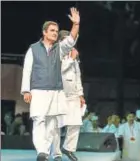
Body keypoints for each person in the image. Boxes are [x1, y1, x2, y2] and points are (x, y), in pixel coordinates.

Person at [20, 7, 80, 161]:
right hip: (38, 91)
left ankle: (45, 153)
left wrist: (76, 24)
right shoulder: (33, 49)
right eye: (52, 30)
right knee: (39, 120)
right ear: (44, 32)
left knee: (52, 124)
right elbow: (27, 70)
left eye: (56, 31)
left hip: (56, 91)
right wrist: (26, 91)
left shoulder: (59, 49)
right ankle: (41, 151)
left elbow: (71, 40)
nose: (55, 33)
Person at [51, 30, 85, 161]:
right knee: (57, 125)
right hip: (59, 94)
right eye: (65, 39)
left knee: (76, 123)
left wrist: (80, 94)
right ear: (60, 41)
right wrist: (71, 58)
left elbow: (77, 76)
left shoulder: (73, 54)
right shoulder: (55, 53)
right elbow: (59, 71)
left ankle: (68, 148)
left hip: (73, 94)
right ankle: (57, 153)